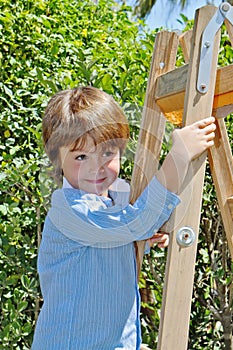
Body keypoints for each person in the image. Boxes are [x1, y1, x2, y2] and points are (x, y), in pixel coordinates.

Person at [32, 86, 216, 349]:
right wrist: (179, 156)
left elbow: (103, 254)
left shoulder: (110, 204)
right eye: (81, 156)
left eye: (107, 153)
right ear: (58, 160)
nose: (97, 167)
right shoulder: (72, 210)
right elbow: (136, 222)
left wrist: (144, 239)